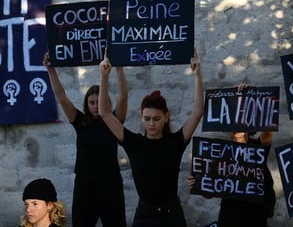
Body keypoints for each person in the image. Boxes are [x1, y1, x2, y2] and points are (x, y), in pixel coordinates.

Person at [98, 48, 204, 227]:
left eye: (156, 119)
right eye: (147, 119)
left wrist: (198, 75)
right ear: (141, 117)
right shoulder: (133, 142)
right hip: (145, 214)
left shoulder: (176, 141)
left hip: (172, 213)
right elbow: (105, 113)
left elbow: (197, 112)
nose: (151, 124)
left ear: (166, 117)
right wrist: (104, 76)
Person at [42, 53, 128, 227]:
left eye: (99, 101)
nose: (96, 106)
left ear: (107, 102)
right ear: (86, 104)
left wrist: (118, 68)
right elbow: (61, 97)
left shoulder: (114, 121)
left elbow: (123, 96)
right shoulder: (80, 121)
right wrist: (51, 71)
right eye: (92, 102)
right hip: (85, 186)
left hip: (110, 186)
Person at [189, 83, 276, 227]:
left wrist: (252, 96)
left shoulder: (256, 148)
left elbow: (267, 132)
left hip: (255, 218)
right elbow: (210, 192)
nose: (236, 128)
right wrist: (198, 183)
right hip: (229, 218)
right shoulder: (220, 153)